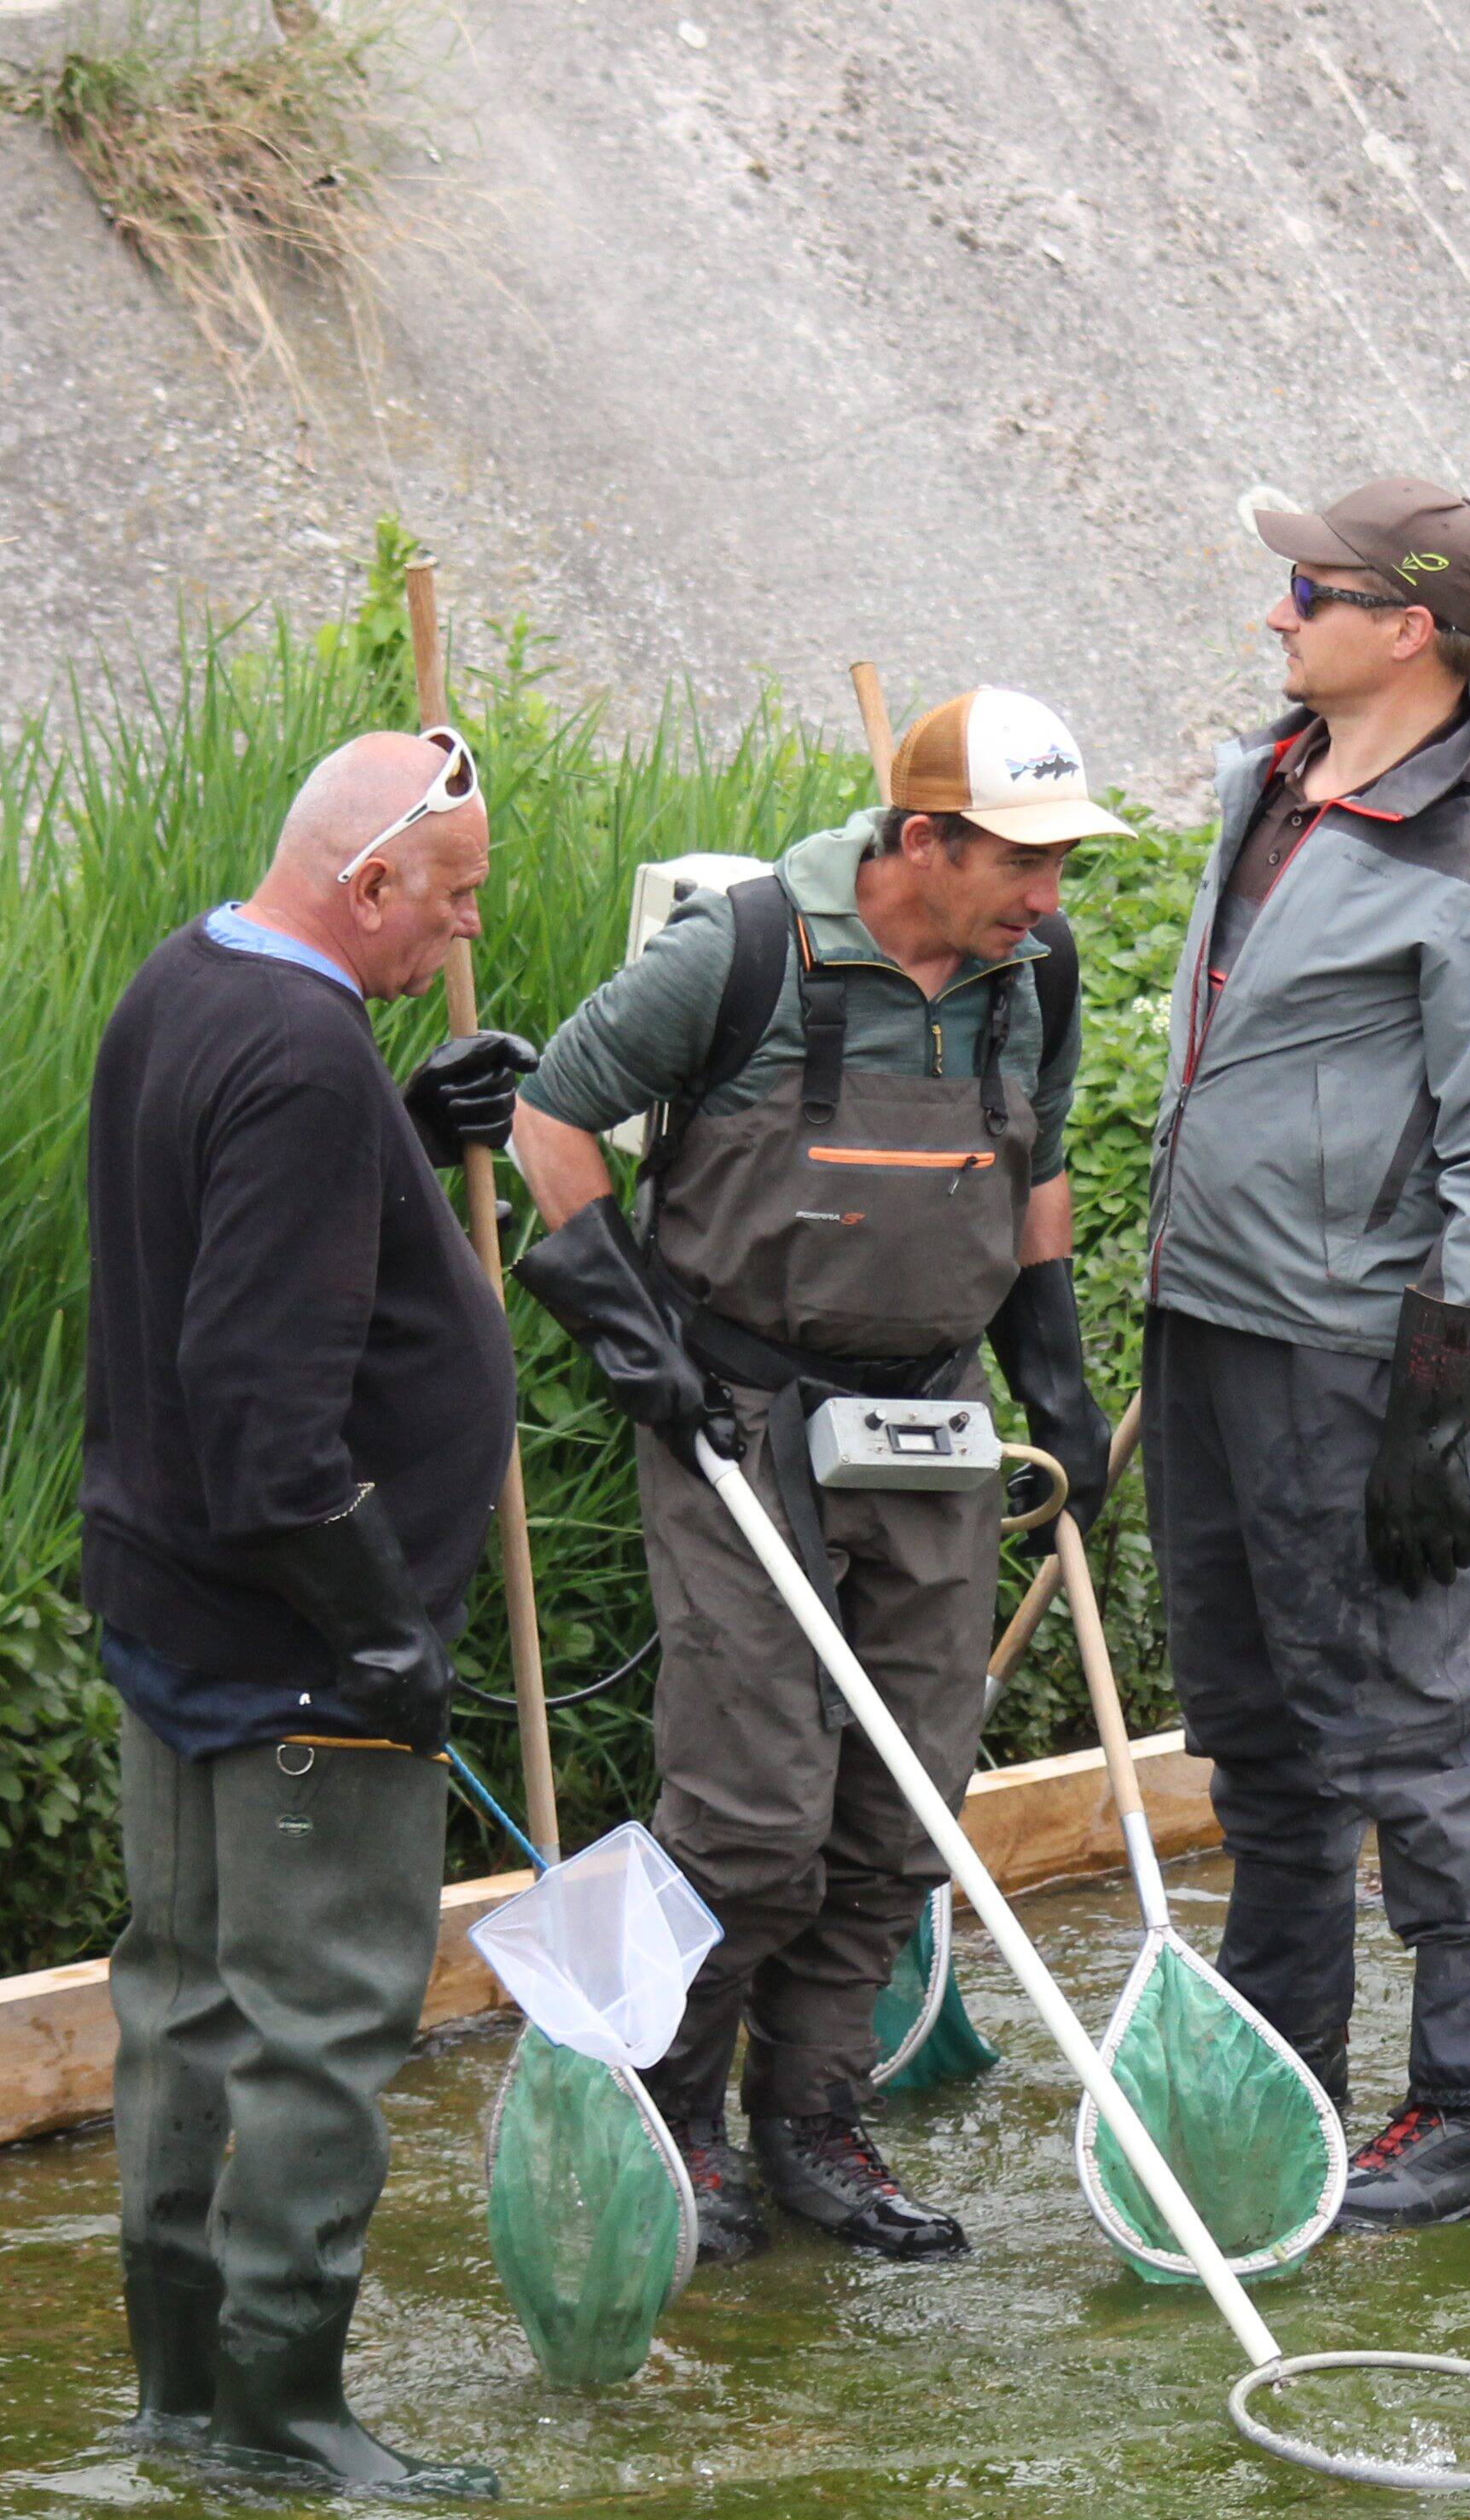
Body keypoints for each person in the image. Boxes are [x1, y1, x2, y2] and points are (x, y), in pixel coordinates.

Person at [506, 691, 1125, 2267]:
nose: (1051, 900)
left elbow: (1034, 1169)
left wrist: (1053, 1368)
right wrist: (623, 1329)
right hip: (741, 1419)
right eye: (1025, 863)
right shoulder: (743, 954)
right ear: (924, 842)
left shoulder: (1026, 975)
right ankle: (677, 2114)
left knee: (905, 1799)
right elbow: (548, 1117)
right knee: (752, 1814)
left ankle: (815, 2120)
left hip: (936, 1422)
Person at [81, 725, 538, 2495]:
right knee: (318, 2029)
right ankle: (285, 2416)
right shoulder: (292, 1055)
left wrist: (399, 1133)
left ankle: (183, 2401)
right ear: (368, 887)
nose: (463, 934)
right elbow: (269, 1426)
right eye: (452, 899)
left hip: (172, 1611)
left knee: (185, 2004)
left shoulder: (194, 984)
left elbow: (223, 1228)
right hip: (289, 1642)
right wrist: (380, 1633)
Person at [1140, 477, 1470, 2228]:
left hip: (1354, 1361)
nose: (1277, 614)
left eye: (1308, 590)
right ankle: (1282, 2083)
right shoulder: (1270, 782)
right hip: (1212, 1333)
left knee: (1419, 1735)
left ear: (1409, 626)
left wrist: (1432, 1415)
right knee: (1260, 1739)